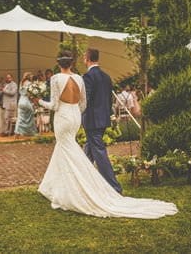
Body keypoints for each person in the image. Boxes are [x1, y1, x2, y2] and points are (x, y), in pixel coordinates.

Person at [33, 50, 177, 219]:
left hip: (74, 118)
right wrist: (79, 114)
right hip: (84, 118)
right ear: (72, 63)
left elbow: (57, 104)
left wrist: (38, 101)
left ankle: (112, 187)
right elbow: (88, 101)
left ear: (59, 63)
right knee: (82, 151)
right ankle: (65, 183)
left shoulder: (62, 78)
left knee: (91, 151)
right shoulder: (99, 77)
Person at [82, 48, 122, 194]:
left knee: (99, 153)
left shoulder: (88, 77)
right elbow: (108, 99)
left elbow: (85, 100)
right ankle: (82, 180)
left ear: (87, 58)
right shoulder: (106, 77)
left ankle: (114, 186)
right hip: (103, 119)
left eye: (83, 57)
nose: (82, 59)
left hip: (92, 120)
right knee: (88, 151)